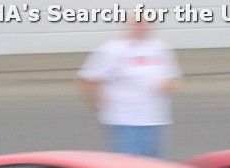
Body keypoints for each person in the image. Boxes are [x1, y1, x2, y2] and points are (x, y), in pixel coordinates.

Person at [76, 13, 180, 159]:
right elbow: (88, 78)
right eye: (137, 23)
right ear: (128, 25)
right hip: (125, 119)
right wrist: (97, 103)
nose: (141, 27)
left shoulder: (160, 48)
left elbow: (173, 76)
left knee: (153, 165)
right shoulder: (112, 50)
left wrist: (167, 85)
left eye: (144, 23)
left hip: (154, 118)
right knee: (130, 164)